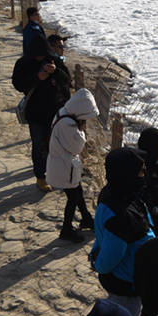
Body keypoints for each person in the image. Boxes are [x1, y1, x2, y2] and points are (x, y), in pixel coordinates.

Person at [91, 147, 156, 316]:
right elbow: (112, 255)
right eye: (141, 171)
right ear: (127, 174)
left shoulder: (113, 193)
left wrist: (95, 252)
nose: (145, 174)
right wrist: (98, 265)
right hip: (125, 283)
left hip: (127, 277)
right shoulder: (122, 216)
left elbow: (102, 233)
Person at [13, 36, 71, 190]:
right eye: (36, 55)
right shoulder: (24, 63)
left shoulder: (54, 60)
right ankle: (40, 177)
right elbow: (17, 84)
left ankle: (56, 174)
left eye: (42, 54)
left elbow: (67, 81)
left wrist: (56, 72)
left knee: (57, 145)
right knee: (39, 146)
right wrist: (37, 77)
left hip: (56, 112)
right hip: (36, 113)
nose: (39, 57)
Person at [46, 88, 98, 242]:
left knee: (77, 192)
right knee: (73, 197)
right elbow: (76, 147)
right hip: (64, 166)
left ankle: (86, 218)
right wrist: (81, 131)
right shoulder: (68, 124)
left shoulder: (63, 112)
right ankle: (66, 229)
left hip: (62, 164)